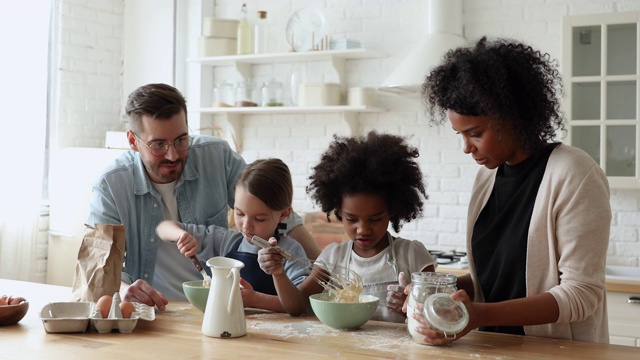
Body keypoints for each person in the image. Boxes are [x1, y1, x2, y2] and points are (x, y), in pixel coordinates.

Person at [411, 36, 611, 344]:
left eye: (475, 133)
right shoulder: (486, 180)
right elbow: (488, 283)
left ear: (512, 117)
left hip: (553, 352)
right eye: (460, 135)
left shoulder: (573, 173)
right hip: (490, 347)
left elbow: (581, 294)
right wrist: (436, 293)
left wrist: (479, 314)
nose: (466, 148)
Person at [86, 83, 320, 310]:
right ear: (132, 141)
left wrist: (322, 271)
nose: (173, 154)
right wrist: (124, 288)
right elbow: (98, 264)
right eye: (158, 145)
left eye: (181, 139)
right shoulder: (111, 185)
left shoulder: (217, 157)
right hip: (154, 311)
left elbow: (277, 212)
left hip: (215, 306)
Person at [258, 131, 436, 322]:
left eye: (375, 219)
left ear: (392, 210)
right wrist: (278, 273)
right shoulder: (333, 257)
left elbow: (437, 311)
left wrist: (409, 308)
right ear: (339, 212)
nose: (363, 229)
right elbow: (297, 305)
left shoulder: (412, 255)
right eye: (352, 219)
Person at [156, 158, 308, 312]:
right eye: (239, 213)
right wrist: (181, 235)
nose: (246, 225)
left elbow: (298, 306)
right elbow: (163, 227)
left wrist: (268, 285)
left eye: (259, 219)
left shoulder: (289, 252)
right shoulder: (225, 241)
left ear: (283, 214)